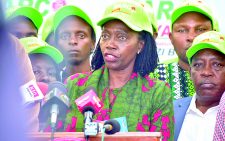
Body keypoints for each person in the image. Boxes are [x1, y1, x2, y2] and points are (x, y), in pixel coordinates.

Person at [64, 1, 174, 141]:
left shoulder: (158, 93)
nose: (110, 44)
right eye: (105, 36)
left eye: (121, 37)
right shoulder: (75, 85)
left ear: (140, 45)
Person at [153, 0, 219, 99]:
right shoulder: (153, 78)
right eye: (182, 30)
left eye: (200, 29)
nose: (191, 37)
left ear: (214, 34)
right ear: (171, 38)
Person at [174, 31, 225, 141]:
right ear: (190, 72)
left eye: (217, 64)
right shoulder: (170, 111)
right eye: (198, 65)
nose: (206, 72)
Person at [53, 5, 96, 82]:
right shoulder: (50, 84)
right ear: (56, 45)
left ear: (93, 43)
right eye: (64, 36)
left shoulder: (106, 84)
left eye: (81, 36)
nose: (72, 41)